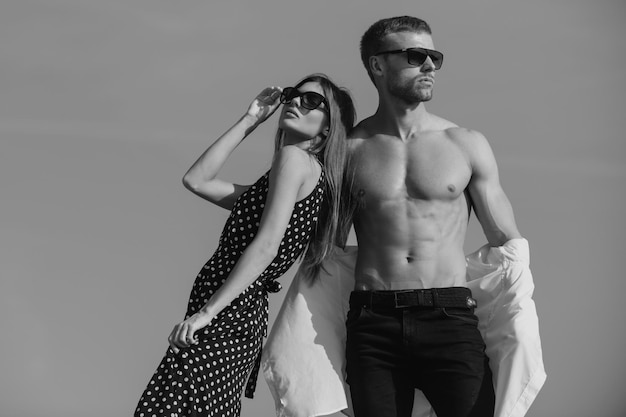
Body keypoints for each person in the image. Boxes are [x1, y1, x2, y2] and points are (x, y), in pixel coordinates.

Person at [134, 73, 355, 417]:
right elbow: (197, 180)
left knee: (168, 407)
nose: (296, 102)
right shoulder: (306, 177)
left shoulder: (294, 160)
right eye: (295, 95)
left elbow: (267, 246)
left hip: (227, 312)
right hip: (240, 315)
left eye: (312, 101)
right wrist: (251, 118)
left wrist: (207, 313)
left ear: (329, 127)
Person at [343, 16, 523, 417]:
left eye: (434, 57)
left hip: (450, 316)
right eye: (415, 55)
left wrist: (517, 330)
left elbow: (508, 244)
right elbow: (302, 222)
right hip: (372, 322)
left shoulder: (465, 144)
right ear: (377, 65)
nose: (429, 66)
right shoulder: (347, 150)